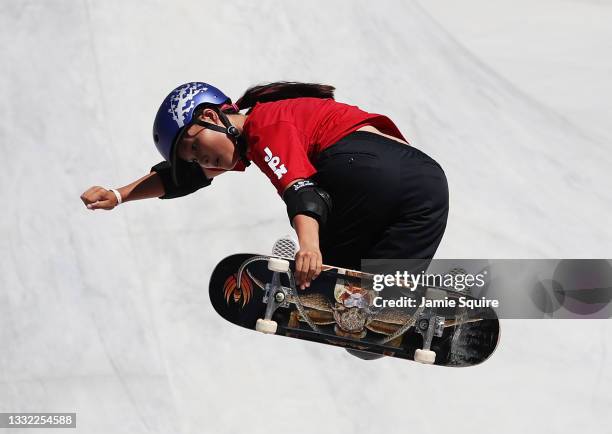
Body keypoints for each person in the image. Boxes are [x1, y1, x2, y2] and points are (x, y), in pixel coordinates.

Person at [80, 81, 449, 290]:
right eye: (192, 158)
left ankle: (335, 281)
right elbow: (181, 179)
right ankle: (462, 296)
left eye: (195, 147)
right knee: (377, 301)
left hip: (364, 168)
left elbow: (300, 189)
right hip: (428, 186)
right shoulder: (269, 120)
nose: (201, 160)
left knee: (324, 287)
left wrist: (309, 247)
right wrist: (119, 194)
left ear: (210, 116)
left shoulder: (264, 125)